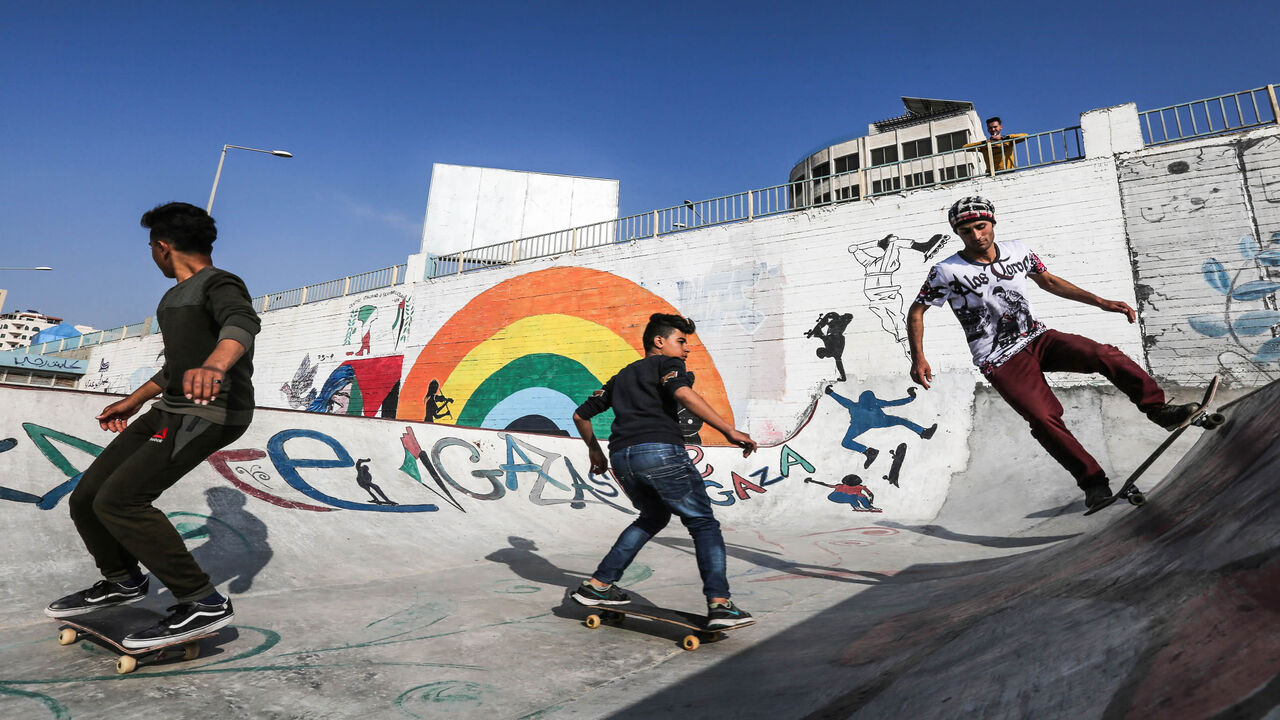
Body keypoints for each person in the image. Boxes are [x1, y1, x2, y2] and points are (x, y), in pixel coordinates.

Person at [45, 202, 261, 649]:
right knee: (88, 496)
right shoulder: (173, 297)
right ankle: (122, 579)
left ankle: (202, 602)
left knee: (122, 501)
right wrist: (134, 400)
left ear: (162, 248)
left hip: (211, 412)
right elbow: (177, 366)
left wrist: (217, 365)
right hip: (171, 407)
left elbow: (241, 322)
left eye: (150, 248)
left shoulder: (220, 283)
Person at [907, 197, 1200, 509]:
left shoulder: (1019, 251)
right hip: (999, 357)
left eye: (981, 226)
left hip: (1038, 337)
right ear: (958, 234)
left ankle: (1159, 411)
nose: (977, 235)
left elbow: (1048, 280)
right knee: (1043, 418)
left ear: (992, 223)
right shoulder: (947, 271)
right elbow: (916, 312)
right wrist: (919, 357)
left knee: (1104, 354)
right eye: (967, 231)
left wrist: (1101, 302)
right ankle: (1093, 483)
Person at [570, 313, 758, 629]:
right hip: (659, 452)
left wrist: (595, 451)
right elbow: (682, 393)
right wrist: (729, 430)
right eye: (681, 341)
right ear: (659, 341)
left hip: (622, 458)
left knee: (653, 516)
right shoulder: (666, 365)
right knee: (702, 523)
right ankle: (721, 604)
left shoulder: (619, 378)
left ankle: (598, 584)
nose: (686, 350)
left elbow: (580, 415)